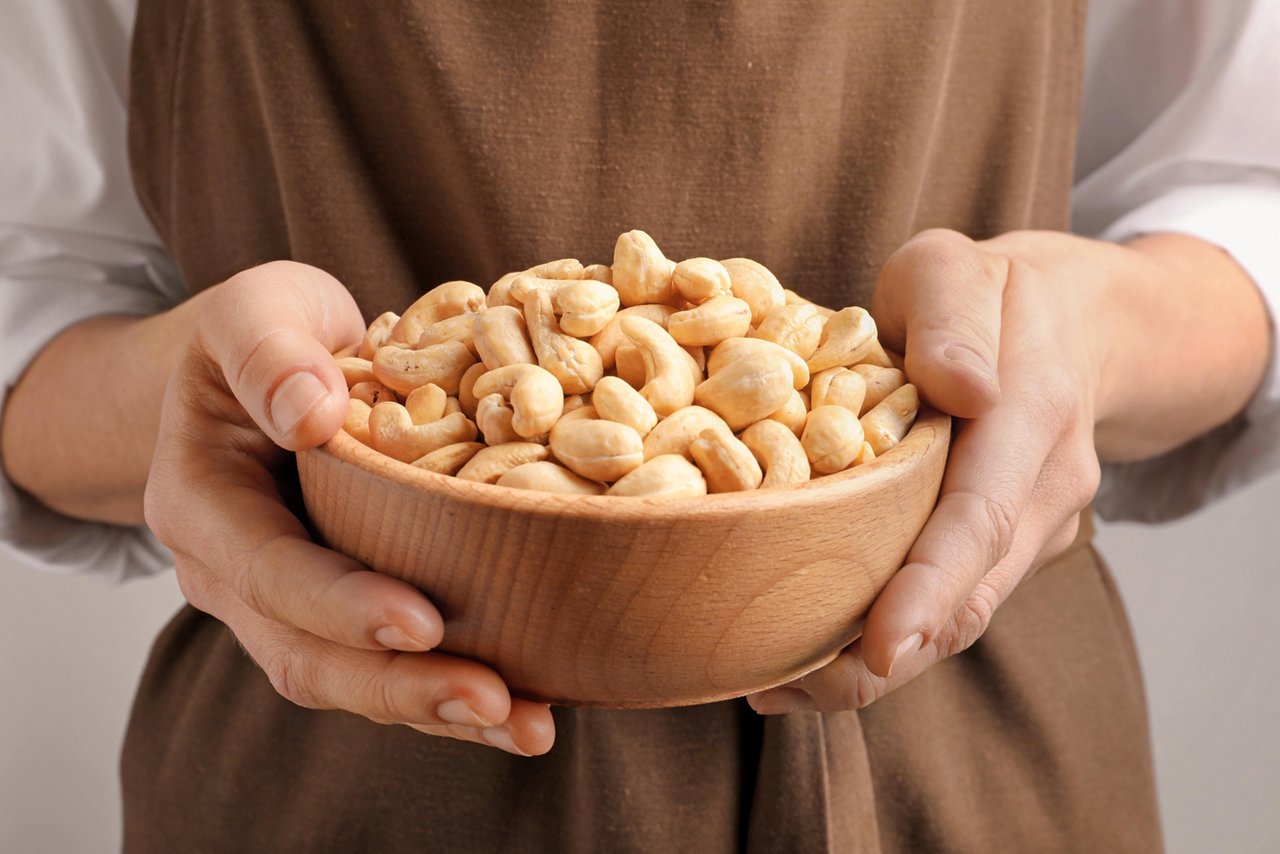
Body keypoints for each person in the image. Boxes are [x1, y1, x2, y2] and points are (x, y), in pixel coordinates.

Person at [2, 0, 1278, 850]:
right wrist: (213, 395)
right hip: (341, 772)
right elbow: (31, 297)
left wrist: (1082, 329)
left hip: (965, 757)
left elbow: (1244, 193)